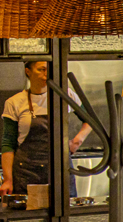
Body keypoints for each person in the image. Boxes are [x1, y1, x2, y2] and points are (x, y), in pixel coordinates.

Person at [0, 60, 91, 195]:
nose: (46, 74)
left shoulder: (65, 94)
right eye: (41, 69)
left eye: (49, 69)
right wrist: (8, 180)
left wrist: (77, 141)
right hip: (26, 172)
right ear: (28, 71)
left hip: (60, 169)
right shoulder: (14, 102)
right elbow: (8, 143)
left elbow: (90, 120)